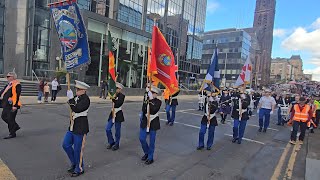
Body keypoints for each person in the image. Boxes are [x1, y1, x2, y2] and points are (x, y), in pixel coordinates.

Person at [63, 80, 90, 177]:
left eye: (78, 89)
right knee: (65, 144)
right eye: (76, 89)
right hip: (72, 125)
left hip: (81, 127)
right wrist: (70, 98)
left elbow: (77, 108)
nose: (76, 91)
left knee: (78, 149)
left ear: (84, 90)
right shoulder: (76, 97)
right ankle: (74, 162)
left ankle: (79, 168)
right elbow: (71, 104)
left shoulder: (86, 100)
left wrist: (71, 99)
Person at [139, 85, 162, 165]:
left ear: (156, 94)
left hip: (153, 122)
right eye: (151, 92)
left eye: (153, 93)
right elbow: (143, 109)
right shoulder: (146, 99)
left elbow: (154, 110)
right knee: (142, 138)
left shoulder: (158, 102)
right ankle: (147, 152)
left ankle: (150, 157)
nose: (151, 94)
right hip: (145, 120)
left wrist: (151, 99)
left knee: (152, 141)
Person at [0, 72, 22, 139]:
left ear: (13, 77)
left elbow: (17, 96)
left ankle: (12, 133)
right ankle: (15, 126)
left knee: (10, 118)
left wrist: (15, 105)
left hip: (12, 105)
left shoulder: (17, 84)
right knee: (3, 116)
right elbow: (2, 92)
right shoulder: (9, 85)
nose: (7, 77)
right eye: (7, 76)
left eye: (8, 76)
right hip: (6, 104)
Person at [105, 82, 125, 151]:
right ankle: (111, 142)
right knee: (107, 128)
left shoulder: (122, 96)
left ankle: (117, 144)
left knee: (117, 131)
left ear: (120, 89)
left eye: (117, 88)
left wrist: (113, 98)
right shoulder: (113, 94)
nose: (116, 89)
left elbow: (118, 104)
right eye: (115, 88)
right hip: (112, 113)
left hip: (118, 114)